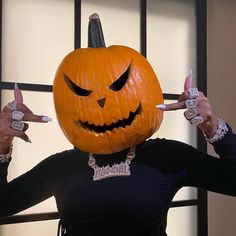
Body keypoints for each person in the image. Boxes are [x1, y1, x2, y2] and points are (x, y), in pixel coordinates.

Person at [0, 70, 236, 236]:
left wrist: (212, 127)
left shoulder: (166, 156)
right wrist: (2, 142)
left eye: (119, 86)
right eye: (82, 93)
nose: (102, 102)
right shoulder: (61, 167)